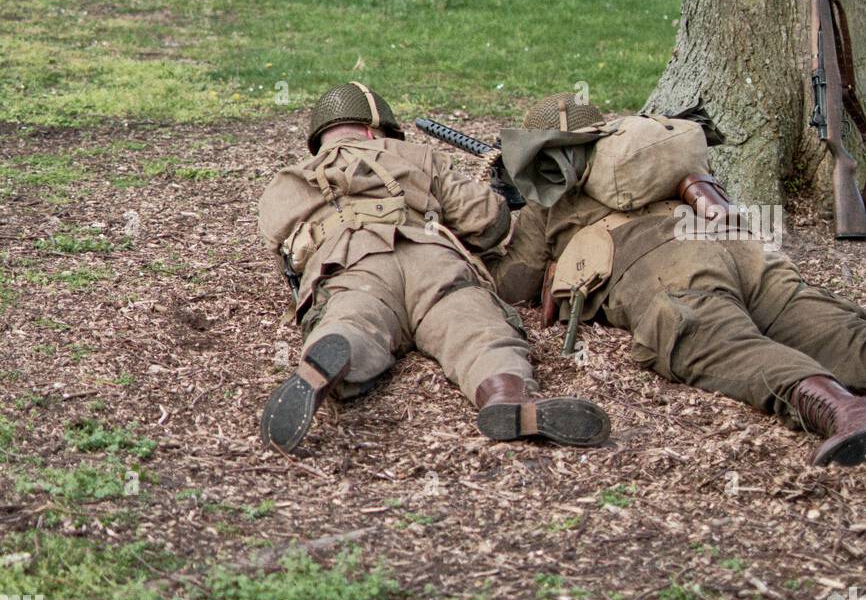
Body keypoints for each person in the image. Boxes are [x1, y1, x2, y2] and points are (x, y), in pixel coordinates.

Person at [488, 93, 866, 468]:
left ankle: (841, 409)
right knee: (826, 326)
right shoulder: (651, 156)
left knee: (721, 343)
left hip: (670, 269)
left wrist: (490, 226)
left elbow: (515, 286)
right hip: (743, 253)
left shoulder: (548, 200)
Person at [258, 82, 611, 454]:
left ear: (320, 138)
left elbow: (285, 253)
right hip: (431, 258)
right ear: (374, 129)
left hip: (354, 265)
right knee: (477, 330)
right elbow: (488, 222)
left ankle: (327, 362)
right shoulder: (415, 155)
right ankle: (506, 395)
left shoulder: (288, 182)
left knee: (353, 319)